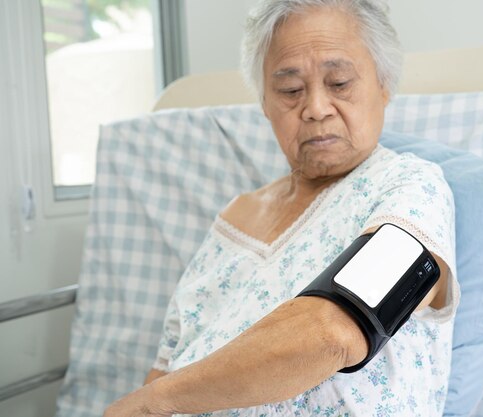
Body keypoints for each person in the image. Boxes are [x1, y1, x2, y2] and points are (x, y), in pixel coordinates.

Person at [104, 0, 459, 416]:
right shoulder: (234, 219)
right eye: (290, 90)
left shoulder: (410, 189)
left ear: (384, 85)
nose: (315, 108)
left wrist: (153, 403)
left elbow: (335, 331)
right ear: (264, 103)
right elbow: (166, 364)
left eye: (340, 82)